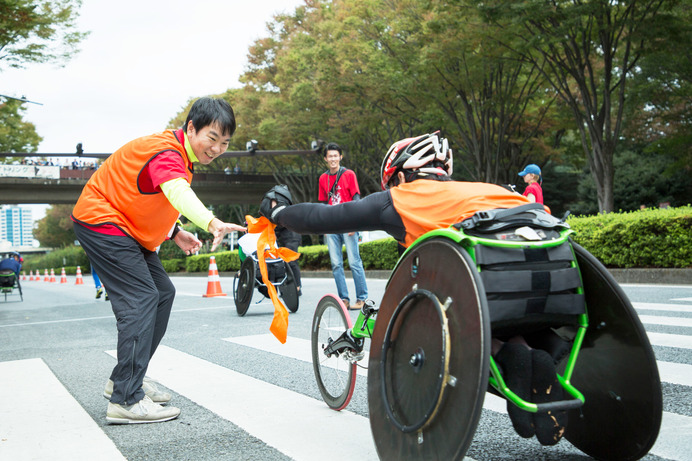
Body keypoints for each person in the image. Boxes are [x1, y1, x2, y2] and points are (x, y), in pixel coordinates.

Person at [261, 131, 566, 445]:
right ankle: (531, 351)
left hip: (476, 298)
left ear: (402, 174)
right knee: (495, 293)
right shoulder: (494, 190)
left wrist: (278, 213)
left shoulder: (403, 196)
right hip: (553, 288)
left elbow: (325, 217)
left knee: (446, 294)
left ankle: (505, 354)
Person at [71, 97, 246, 425]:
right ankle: (126, 398)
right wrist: (211, 222)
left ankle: (124, 379)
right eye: (212, 138)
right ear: (191, 128)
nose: (217, 149)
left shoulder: (181, 153)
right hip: (104, 221)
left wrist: (174, 231)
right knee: (142, 297)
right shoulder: (167, 152)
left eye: (225, 143)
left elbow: (150, 197)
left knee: (162, 293)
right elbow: (176, 192)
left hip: (123, 225)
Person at [318, 142, 368, 310]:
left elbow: (356, 199)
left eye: (335, 155)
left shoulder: (349, 174)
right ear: (325, 159)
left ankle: (362, 298)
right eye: (329, 156)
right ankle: (344, 299)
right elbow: (323, 204)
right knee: (336, 264)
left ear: (340, 157)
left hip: (348, 223)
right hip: (332, 225)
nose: (333, 159)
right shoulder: (323, 179)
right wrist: (324, 227)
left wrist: (355, 222)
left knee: (354, 262)